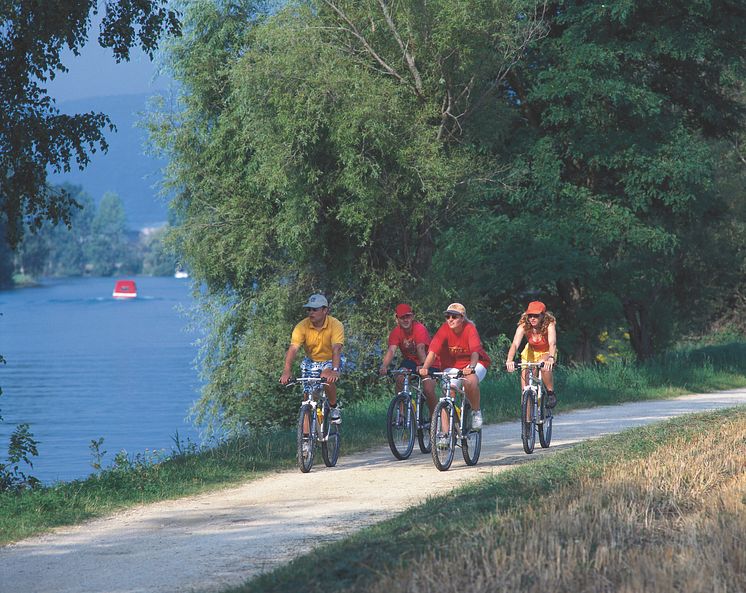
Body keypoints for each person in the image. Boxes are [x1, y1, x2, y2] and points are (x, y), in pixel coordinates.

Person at [418, 303, 491, 431]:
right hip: (452, 366)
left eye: (454, 316)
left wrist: (472, 367)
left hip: (474, 363)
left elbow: (475, 352)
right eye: (447, 316)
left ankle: (475, 411)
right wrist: (425, 367)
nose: (450, 319)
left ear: (462, 317)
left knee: (470, 380)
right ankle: (446, 434)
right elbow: (433, 352)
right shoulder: (444, 329)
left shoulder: (469, 328)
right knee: (447, 391)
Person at [280, 294, 344, 422]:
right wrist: (287, 370)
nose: (311, 313)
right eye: (309, 309)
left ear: (325, 310)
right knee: (307, 400)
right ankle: (305, 440)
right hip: (311, 361)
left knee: (326, 377)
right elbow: (293, 349)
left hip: (330, 359)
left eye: (315, 309)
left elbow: (336, 349)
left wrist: (335, 370)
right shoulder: (302, 326)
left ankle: (333, 406)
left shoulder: (335, 324)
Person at [378, 303, 439, 420]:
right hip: (411, 361)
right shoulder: (396, 332)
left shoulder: (419, 328)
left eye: (408, 316)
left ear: (412, 317)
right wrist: (384, 366)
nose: (406, 320)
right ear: (397, 318)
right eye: (402, 317)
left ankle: (434, 417)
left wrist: (423, 366)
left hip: (428, 361)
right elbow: (391, 350)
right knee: (400, 378)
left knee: (428, 389)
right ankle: (401, 414)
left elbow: (420, 348)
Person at [505, 301, 557, 407]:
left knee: (544, 365)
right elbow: (515, 344)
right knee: (525, 389)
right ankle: (527, 421)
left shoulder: (549, 324)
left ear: (543, 315)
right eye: (530, 315)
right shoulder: (524, 325)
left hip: (547, 352)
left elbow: (552, 343)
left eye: (536, 316)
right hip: (530, 352)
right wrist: (509, 360)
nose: (532, 318)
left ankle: (550, 393)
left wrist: (551, 358)